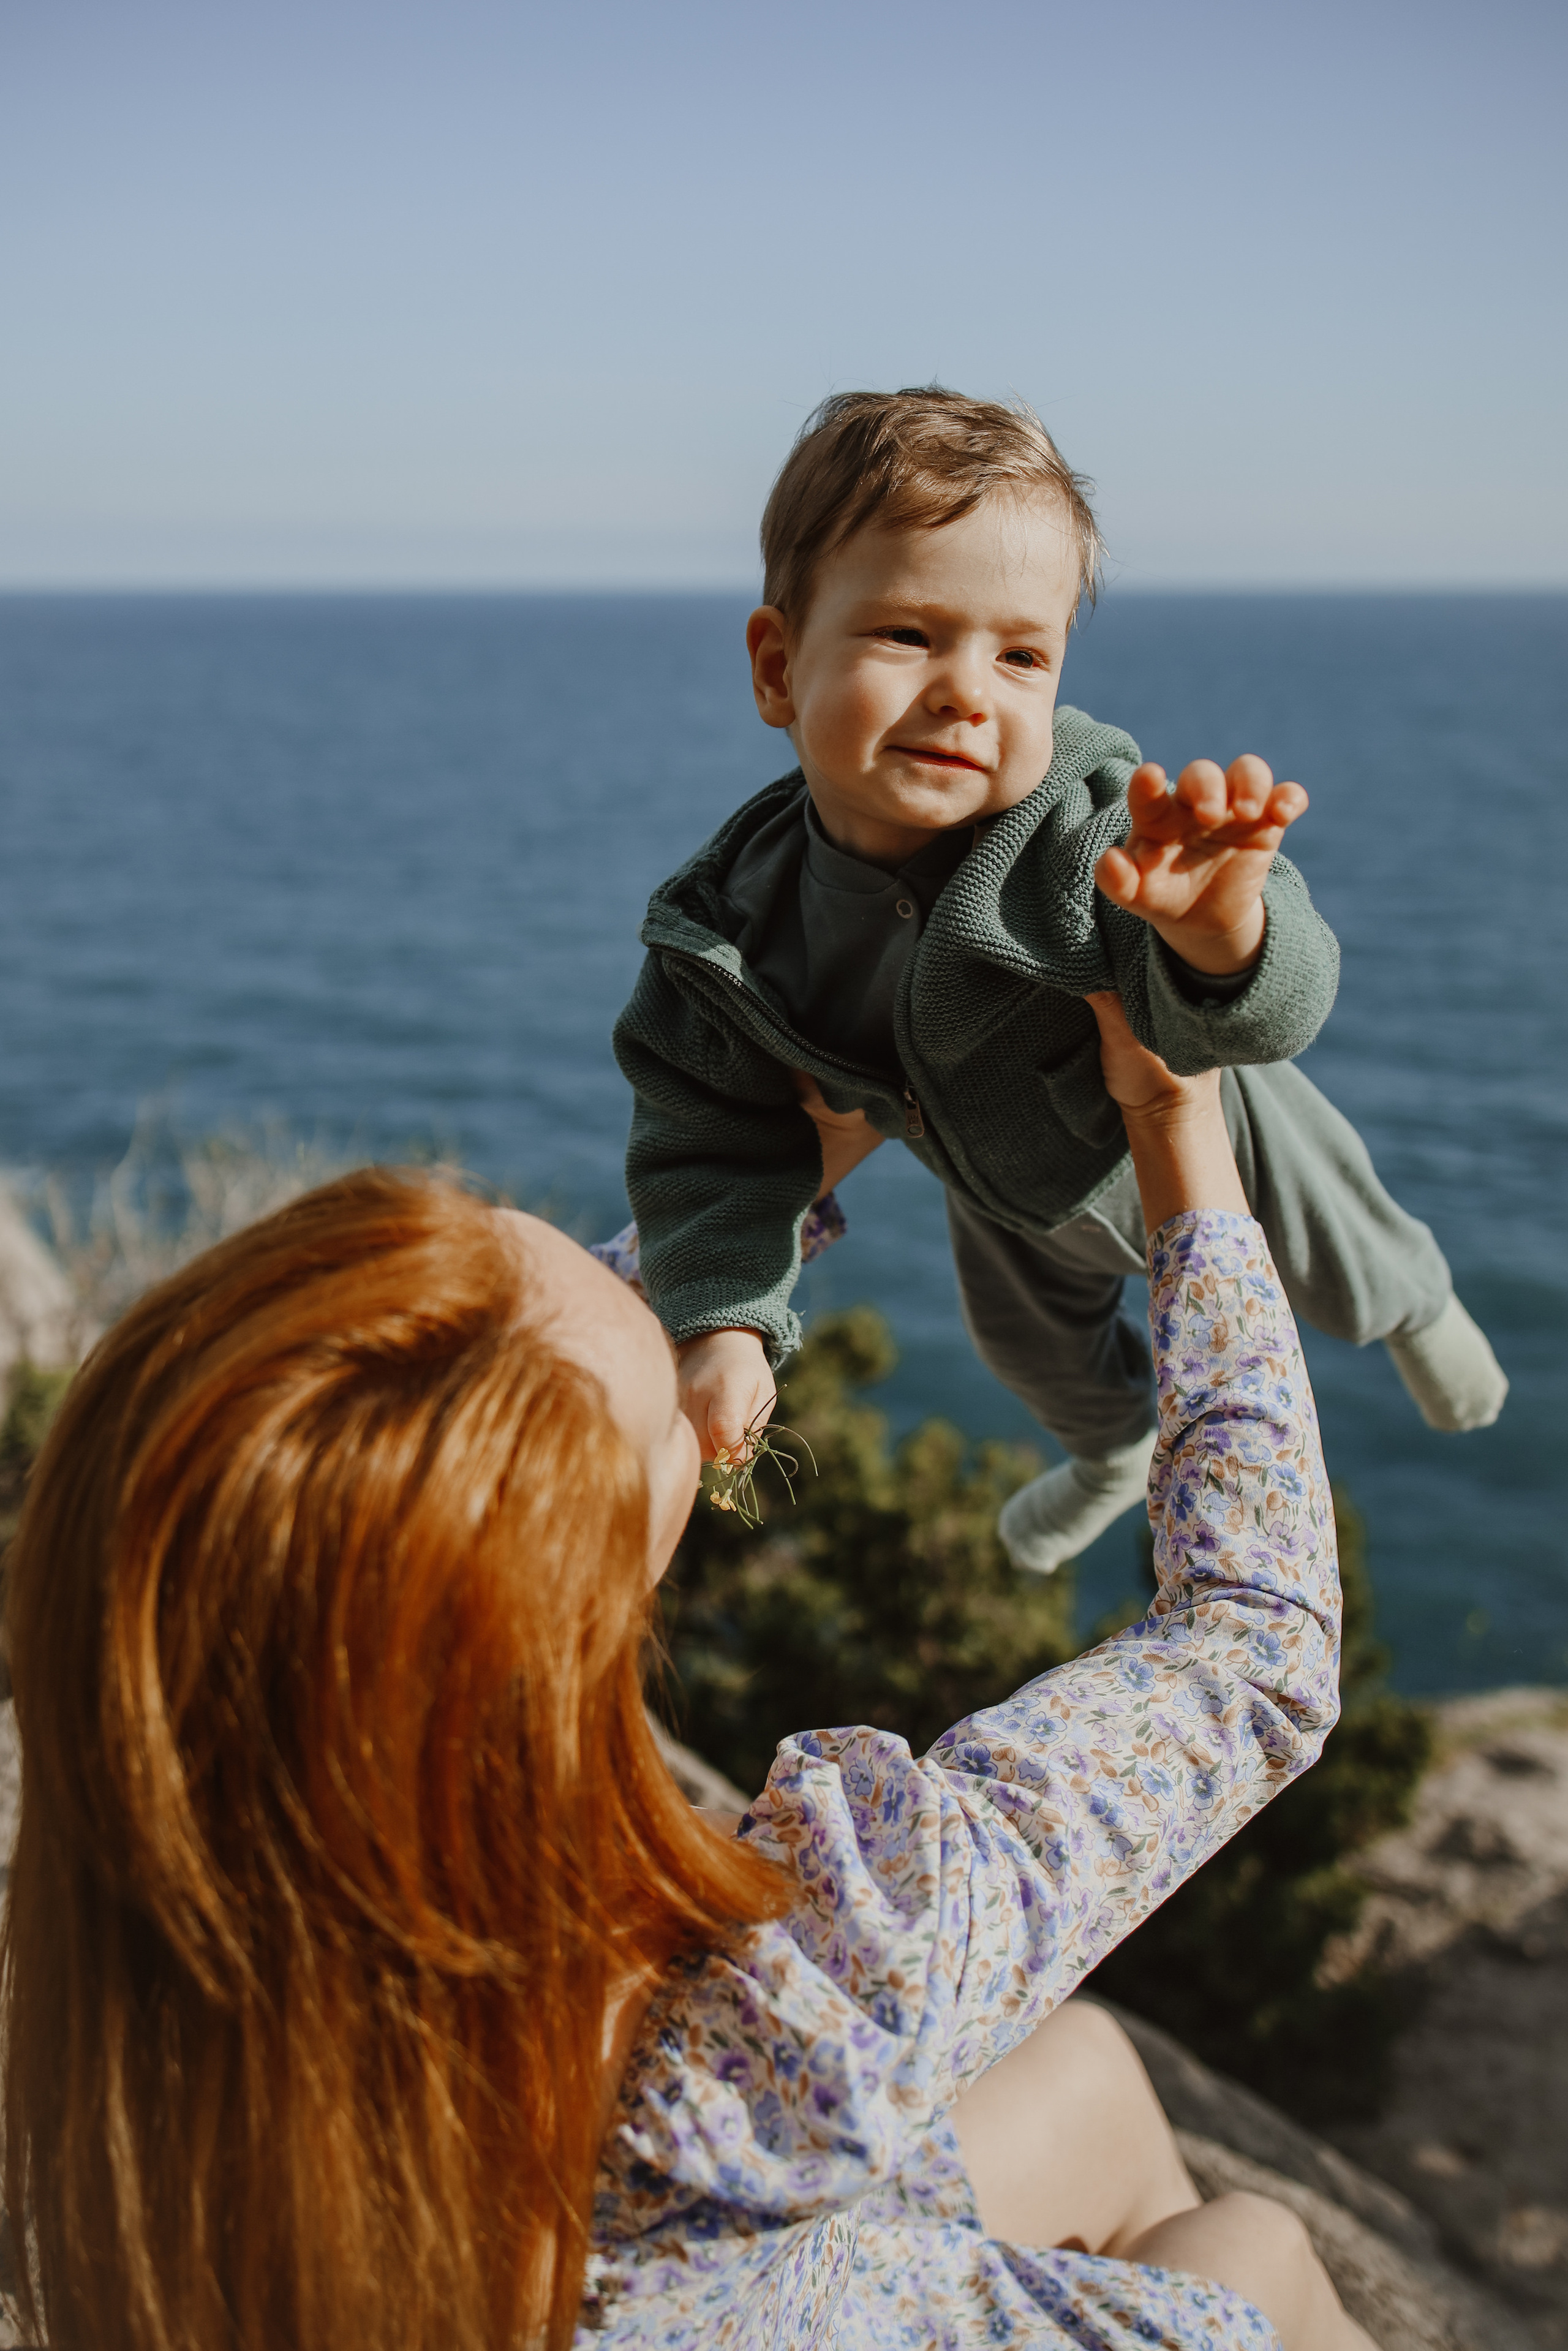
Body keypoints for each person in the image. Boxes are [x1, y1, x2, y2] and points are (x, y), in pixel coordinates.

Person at [2, 995, 1374, 2349]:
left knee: (1087, 2075)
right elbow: (1251, 1643)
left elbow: (457, 1427)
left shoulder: (143, 1985)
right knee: (1251, 2246)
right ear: (567, 1619)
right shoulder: (789, 1984)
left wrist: (790, 1177)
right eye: (667, 1403)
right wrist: (1175, 1127)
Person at [608, 386, 1506, 1574]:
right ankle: (1110, 1452)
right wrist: (724, 1321)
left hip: (1195, 1139)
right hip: (1002, 1188)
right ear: (777, 666)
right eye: (908, 634)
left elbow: (1278, 1015)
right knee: (1031, 1353)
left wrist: (1216, 931)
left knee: (1333, 1241)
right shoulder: (726, 926)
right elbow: (706, 1140)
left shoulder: (1084, 832)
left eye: (1019, 653)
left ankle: (1422, 1307)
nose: (965, 689)